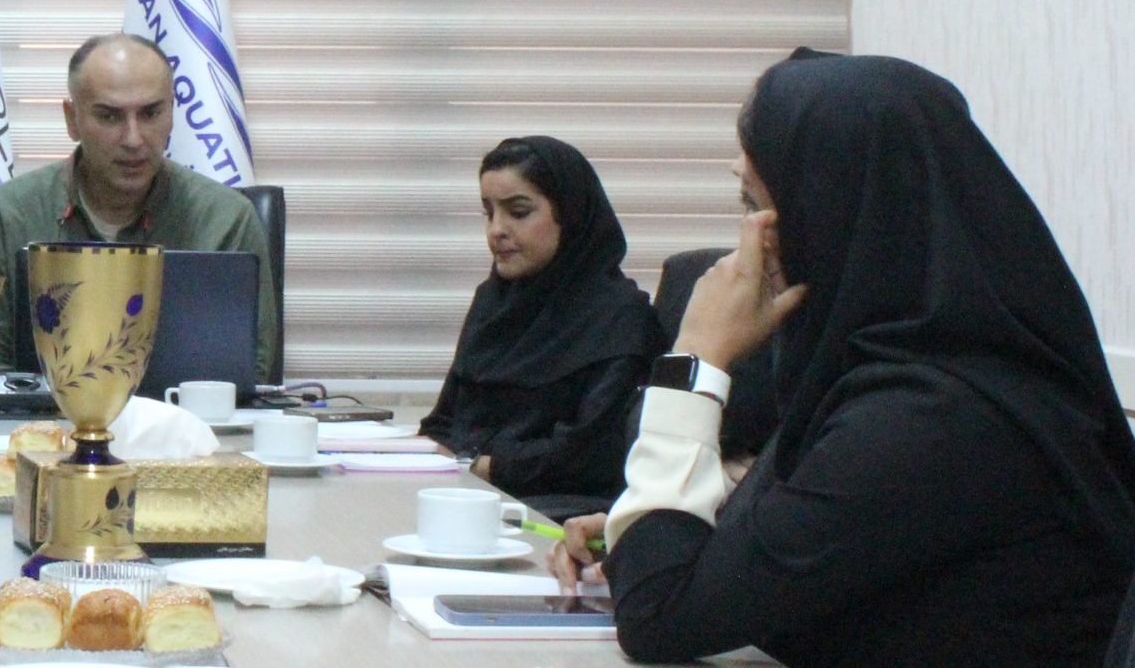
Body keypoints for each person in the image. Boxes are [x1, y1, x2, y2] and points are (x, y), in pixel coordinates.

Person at [550, 51, 1135, 666]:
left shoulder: (932, 417)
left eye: (755, 204)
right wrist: (647, 532)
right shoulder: (909, 372)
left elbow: (659, 618)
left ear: (830, 212)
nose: (748, 243)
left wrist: (693, 357)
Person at [0, 33, 274, 377]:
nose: (133, 139)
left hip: (184, 412)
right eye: (109, 117)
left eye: (150, 113)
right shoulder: (11, 213)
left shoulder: (226, 219)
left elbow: (250, 372)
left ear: (171, 113)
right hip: (47, 412)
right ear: (72, 120)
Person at [419, 136, 661, 508]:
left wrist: (481, 466)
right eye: (488, 213)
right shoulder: (493, 302)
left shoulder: (619, 317)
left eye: (518, 212)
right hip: (464, 495)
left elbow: (590, 455)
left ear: (570, 215)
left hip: (550, 515)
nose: (496, 230)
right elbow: (444, 422)